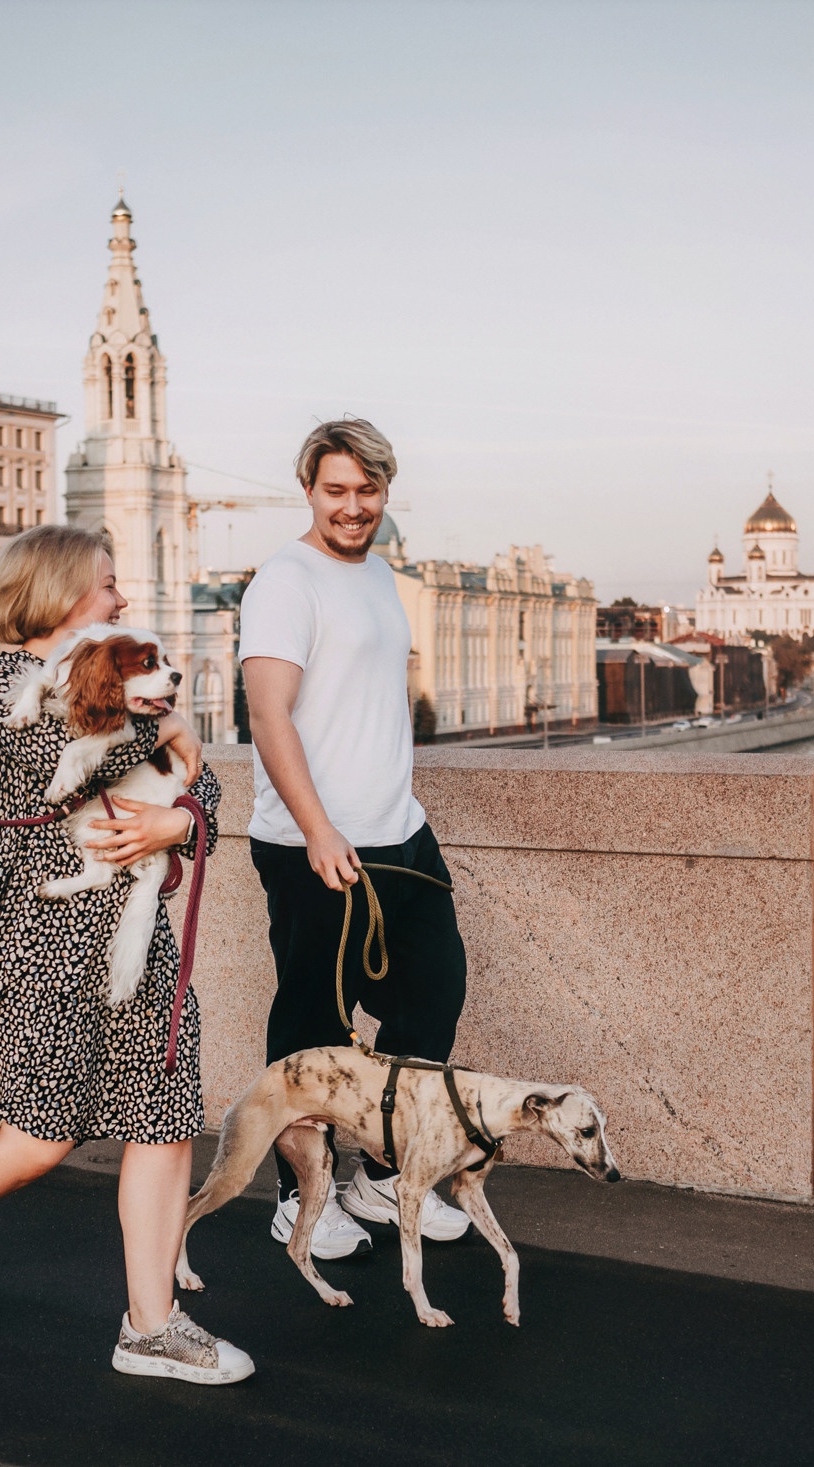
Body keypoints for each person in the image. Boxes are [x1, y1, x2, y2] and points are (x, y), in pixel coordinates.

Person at [0, 523, 251, 1386]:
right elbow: (65, 754)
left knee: (163, 1115)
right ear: (57, 588)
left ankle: (151, 1326)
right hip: (45, 928)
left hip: (135, 929)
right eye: (108, 583)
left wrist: (180, 817)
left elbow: (205, 784)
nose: (121, 598)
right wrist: (172, 726)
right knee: (40, 1130)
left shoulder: (121, 676)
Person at [239, 417, 474, 1260]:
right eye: (336, 490)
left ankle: (382, 1175)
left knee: (434, 991)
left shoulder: (379, 574)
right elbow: (269, 717)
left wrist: (391, 814)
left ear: (384, 491)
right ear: (309, 489)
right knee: (313, 1022)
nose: (352, 506)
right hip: (316, 843)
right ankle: (297, 1195)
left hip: (398, 831)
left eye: (367, 490)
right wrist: (317, 829)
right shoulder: (284, 580)